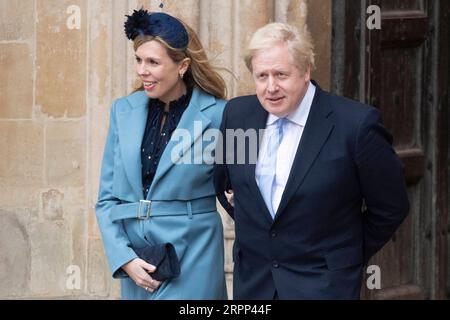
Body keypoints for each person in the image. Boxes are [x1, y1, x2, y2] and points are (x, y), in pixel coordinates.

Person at [214, 22, 410, 299]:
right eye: (261, 76)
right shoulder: (238, 115)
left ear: (306, 70)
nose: (271, 87)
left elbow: (391, 207)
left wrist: (341, 257)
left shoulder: (355, 125)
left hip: (324, 286)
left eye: (281, 74)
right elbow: (227, 185)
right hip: (254, 285)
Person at [96, 9, 228, 300]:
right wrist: (124, 258)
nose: (142, 70)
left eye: (153, 62)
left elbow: (244, 189)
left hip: (195, 255)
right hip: (136, 260)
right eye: (139, 60)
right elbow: (106, 200)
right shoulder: (123, 111)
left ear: (182, 65)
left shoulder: (220, 115)